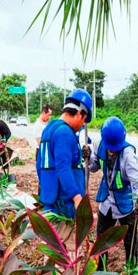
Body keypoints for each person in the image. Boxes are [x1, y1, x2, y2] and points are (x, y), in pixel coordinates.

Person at [89, 116, 138, 270]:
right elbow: (93, 167)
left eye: (115, 147)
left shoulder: (128, 155)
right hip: (106, 200)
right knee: (102, 239)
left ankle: (131, 270)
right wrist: (86, 157)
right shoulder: (99, 145)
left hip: (125, 203)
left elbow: (136, 181)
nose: (112, 150)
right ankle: (101, 271)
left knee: (129, 241)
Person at [35, 89, 92, 218]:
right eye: (84, 119)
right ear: (78, 113)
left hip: (51, 200)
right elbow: (63, 168)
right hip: (63, 206)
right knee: (63, 238)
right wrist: (77, 197)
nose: (83, 124)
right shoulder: (64, 133)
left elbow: (39, 165)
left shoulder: (49, 129)